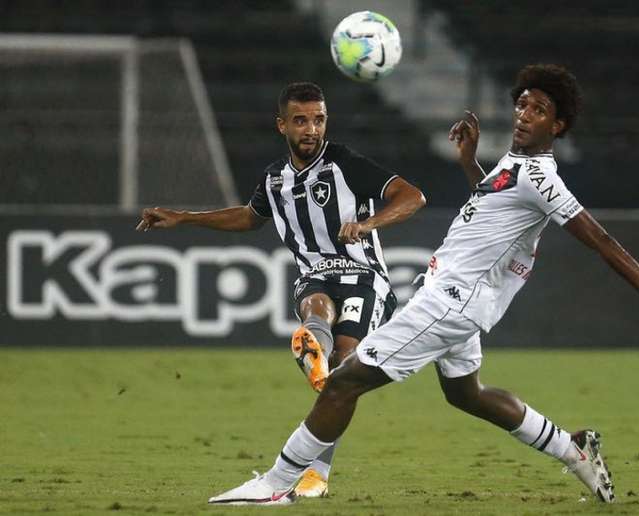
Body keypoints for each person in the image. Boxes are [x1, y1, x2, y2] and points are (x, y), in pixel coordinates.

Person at [207, 64, 639, 506]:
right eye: (521, 104)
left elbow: (599, 238)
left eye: (538, 110)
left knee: (344, 380)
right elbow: (493, 214)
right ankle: (574, 448)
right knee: (466, 394)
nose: (524, 115)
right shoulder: (512, 166)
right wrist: (470, 163)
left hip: (452, 302)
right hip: (457, 296)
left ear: (558, 125)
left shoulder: (541, 178)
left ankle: (277, 483)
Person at [136, 81, 426, 498]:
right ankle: (313, 348)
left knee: (346, 372)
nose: (311, 129)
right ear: (282, 125)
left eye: (319, 120)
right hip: (315, 275)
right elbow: (248, 217)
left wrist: (366, 224)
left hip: (366, 279)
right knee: (316, 305)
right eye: (301, 121)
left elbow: (412, 196)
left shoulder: (346, 164)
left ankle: (317, 468)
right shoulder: (275, 180)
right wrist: (183, 217)